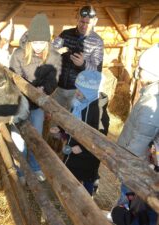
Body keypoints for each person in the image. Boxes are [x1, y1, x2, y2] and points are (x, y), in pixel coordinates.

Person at [9, 13, 62, 183]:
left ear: (47, 41)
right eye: (35, 42)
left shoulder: (54, 56)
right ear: (30, 40)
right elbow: (13, 77)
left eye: (42, 42)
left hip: (38, 104)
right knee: (18, 139)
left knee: (36, 137)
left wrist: (43, 90)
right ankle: (21, 171)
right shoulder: (18, 54)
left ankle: (35, 166)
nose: (38, 46)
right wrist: (27, 90)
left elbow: (54, 79)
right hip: (20, 103)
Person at [111, 43, 159, 225]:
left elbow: (141, 139)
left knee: (129, 198)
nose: (137, 72)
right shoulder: (149, 93)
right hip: (132, 161)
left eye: (142, 69)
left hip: (134, 167)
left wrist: (126, 163)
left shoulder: (153, 102)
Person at [62, 70, 109, 195]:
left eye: (80, 90)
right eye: (77, 89)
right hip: (73, 149)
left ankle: (88, 197)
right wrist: (61, 130)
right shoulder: (78, 104)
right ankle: (72, 196)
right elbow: (70, 121)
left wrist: (83, 147)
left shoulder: (99, 112)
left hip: (88, 154)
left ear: (90, 92)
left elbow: (100, 138)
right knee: (71, 174)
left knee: (87, 177)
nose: (76, 92)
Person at [52, 5, 104, 110]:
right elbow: (51, 50)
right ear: (77, 19)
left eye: (88, 23)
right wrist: (58, 51)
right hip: (58, 88)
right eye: (81, 22)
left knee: (73, 122)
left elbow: (96, 71)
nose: (84, 25)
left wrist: (83, 64)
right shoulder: (65, 34)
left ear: (95, 21)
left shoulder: (97, 42)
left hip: (78, 92)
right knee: (55, 119)